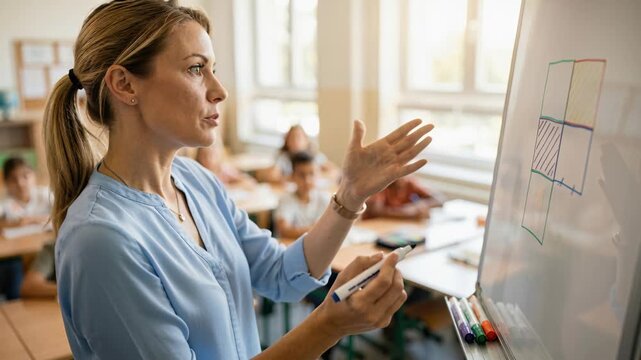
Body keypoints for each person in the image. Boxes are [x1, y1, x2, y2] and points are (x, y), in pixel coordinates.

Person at [43, 1, 434, 358]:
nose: (220, 91)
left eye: (214, 70)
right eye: (196, 69)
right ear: (125, 85)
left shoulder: (196, 182)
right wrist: (329, 324)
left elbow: (282, 274)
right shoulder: (101, 238)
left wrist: (349, 196)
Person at [0, 156, 52, 300]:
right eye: (13, 179)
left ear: (34, 176)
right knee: (14, 271)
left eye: (25, 176)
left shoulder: (45, 194)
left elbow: (62, 213)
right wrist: (15, 223)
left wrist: (33, 219)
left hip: (44, 250)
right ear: (6, 183)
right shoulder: (5, 201)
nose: (20, 183)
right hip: (16, 255)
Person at [257, 125, 338, 183]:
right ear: (287, 141)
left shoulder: (315, 156)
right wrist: (295, 179)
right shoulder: (283, 158)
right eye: (292, 138)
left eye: (299, 137)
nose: (295, 141)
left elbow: (335, 172)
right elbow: (272, 176)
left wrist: (314, 177)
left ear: (306, 140)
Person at [275, 151, 329, 239]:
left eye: (311, 174)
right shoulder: (285, 200)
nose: (307, 180)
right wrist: (318, 230)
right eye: (301, 175)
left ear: (318, 174)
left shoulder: (324, 199)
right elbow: (284, 231)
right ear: (292, 176)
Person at [363, 175, 445, 220]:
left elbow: (439, 200)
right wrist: (407, 213)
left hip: (400, 227)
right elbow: (377, 211)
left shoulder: (409, 182)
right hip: (375, 228)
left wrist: (420, 206)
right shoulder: (380, 185)